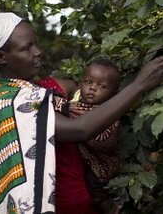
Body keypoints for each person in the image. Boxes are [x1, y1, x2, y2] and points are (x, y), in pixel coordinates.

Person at [0, 12, 163, 214]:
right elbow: (80, 129)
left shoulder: (47, 90)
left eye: (35, 44)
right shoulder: (8, 102)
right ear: (1, 57)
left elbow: (109, 97)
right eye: (26, 48)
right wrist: (139, 85)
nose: (37, 52)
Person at [39, 58, 123, 213]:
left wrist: (50, 99)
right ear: (80, 82)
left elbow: (67, 109)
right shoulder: (77, 96)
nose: (92, 88)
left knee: (95, 187)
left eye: (101, 86)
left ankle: (111, 207)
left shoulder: (101, 109)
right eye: (88, 82)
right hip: (84, 159)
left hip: (101, 165)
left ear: (113, 95)